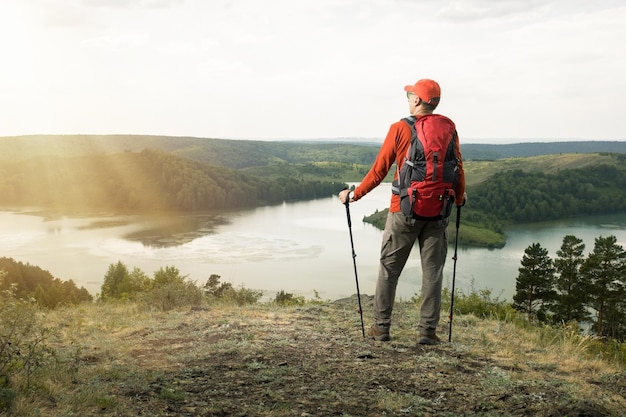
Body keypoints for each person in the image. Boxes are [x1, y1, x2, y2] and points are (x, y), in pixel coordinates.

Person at [338, 78, 466, 345]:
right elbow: (458, 168)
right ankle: (427, 332)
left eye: (410, 94)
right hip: (439, 211)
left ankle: (381, 328)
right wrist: (460, 198)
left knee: (389, 269)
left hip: (403, 211)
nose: (408, 98)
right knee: (433, 273)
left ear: (418, 100)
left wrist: (353, 195)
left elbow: (379, 170)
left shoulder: (400, 128)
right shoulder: (448, 129)